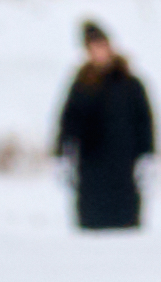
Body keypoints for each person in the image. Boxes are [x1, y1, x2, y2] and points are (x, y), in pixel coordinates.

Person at [53, 20, 153, 228]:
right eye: (92, 48)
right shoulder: (81, 84)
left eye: (101, 46)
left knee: (126, 231)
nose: (98, 52)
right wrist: (62, 154)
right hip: (90, 170)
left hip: (124, 168)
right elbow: (68, 121)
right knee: (92, 231)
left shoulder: (130, 84)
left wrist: (147, 156)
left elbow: (145, 122)